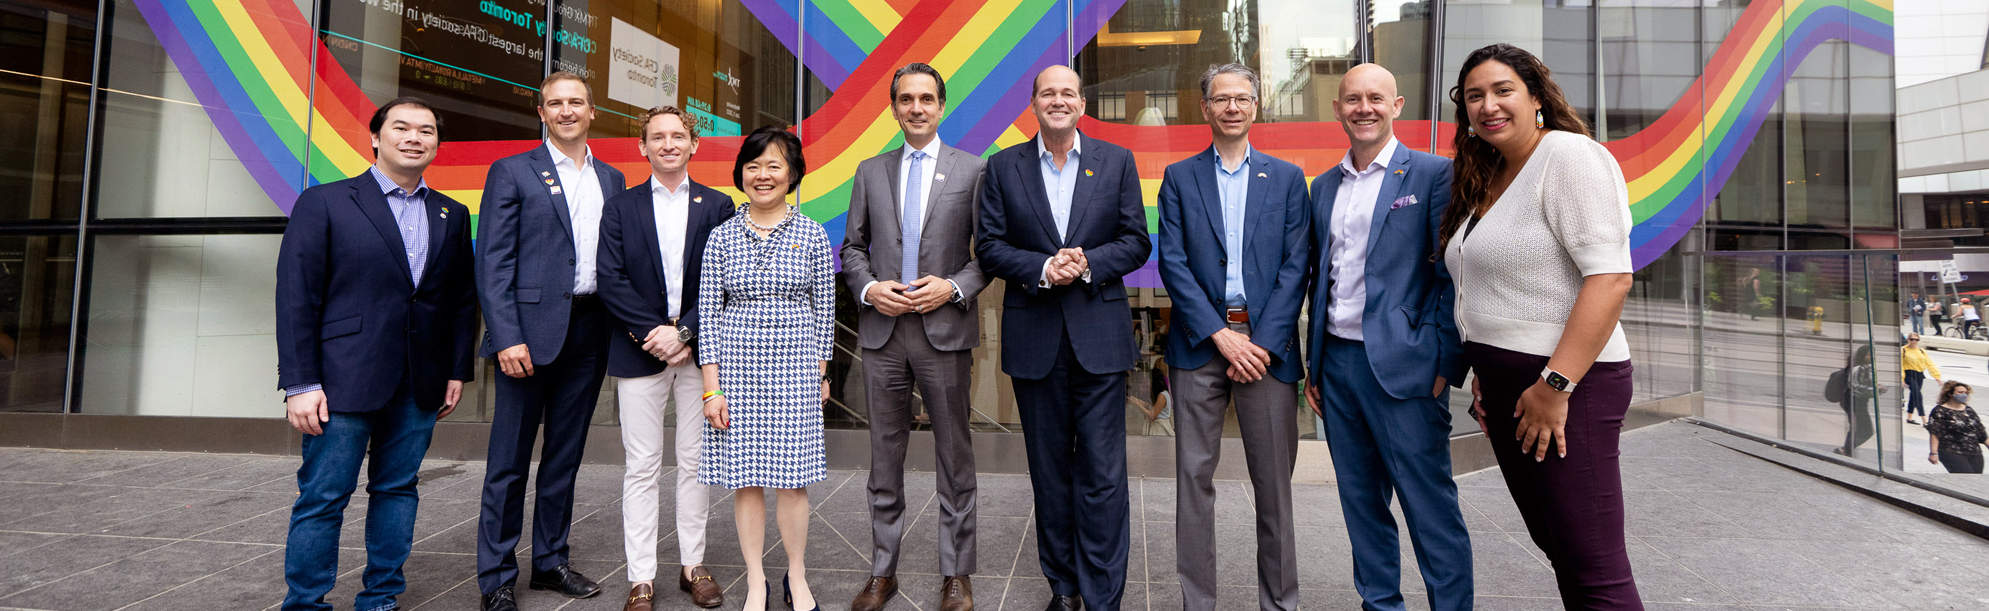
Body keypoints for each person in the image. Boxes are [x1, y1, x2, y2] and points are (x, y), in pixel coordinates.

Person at [1438, 44, 1642, 610]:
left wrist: (1555, 386)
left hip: (1568, 386)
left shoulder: (1570, 157)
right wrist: (1486, 373)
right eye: (1474, 96)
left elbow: (1610, 279)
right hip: (1509, 389)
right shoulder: (1491, 175)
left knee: (1594, 565)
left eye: (1503, 90)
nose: (1489, 105)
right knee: (1560, 548)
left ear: (1536, 98)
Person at [276, 97, 477, 611]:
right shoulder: (325, 202)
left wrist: (457, 369)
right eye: (402, 127)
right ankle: (306, 602)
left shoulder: (452, 214)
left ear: (437, 143)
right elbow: (297, 295)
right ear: (375, 138)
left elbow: (459, 301)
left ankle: (381, 597)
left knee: (398, 489)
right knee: (324, 496)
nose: (415, 137)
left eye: (427, 130)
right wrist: (300, 383)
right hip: (341, 379)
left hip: (421, 380)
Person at [976, 64, 1152, 611]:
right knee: (1049, 472)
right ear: (1033, 103)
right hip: (1036, 339)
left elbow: (1136, 241)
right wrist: (1045, 268)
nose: (1058, 100)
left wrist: (1087, 264)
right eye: (1048, 92)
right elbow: (989, 246)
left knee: (1102, 473)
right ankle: (1065, 587)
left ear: (1081, 104)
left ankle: (1102, 595)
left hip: (1098, 336)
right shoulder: (1003, 167)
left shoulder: (1116, 161)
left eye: (1068, 93)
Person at [1303, 63, 1473, 611]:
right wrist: (1314, 364)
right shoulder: (1323, 186)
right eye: (1352, 99)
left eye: (1376, 98)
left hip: (1407, 369)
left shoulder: (1430, 175)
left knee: (1429, 508)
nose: (1364, 108)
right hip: (1338, 367)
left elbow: (1453, 275)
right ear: (1337, 110)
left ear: (1397, 105)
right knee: (1360, 505)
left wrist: (1446, 361)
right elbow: (1321, 278)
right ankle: (1380, 606)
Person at [1154, 63, 1310, 611]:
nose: (1232, 107)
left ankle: (1280, 603)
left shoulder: (1289, 178)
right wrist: (1222, 335)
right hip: (1200, 347)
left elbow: (1298, 267)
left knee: (1274, 490)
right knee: (1193, 484)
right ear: (1206, 108)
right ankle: (1199, 603)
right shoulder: (1179, 177)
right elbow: (1172, 264)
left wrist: (1261, 344)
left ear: (1256, 106)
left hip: (1267, 351)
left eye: (1243, 98)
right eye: (1222, 99)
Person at [838, 62, 990, 611]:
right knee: (884, 458)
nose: (917, 108)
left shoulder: (974, 170)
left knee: (955, 457)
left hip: (944, 332)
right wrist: (868, 288)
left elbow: (986, 256)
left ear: (942, 107)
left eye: (927, 98)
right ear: (894, 107)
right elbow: (851, 248)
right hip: (882, 335)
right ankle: (883, 571)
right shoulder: (869, 170)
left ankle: (956, 573)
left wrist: (951, 287)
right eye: (907, 99)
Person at [474, 72, 628, 611]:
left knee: (564, 457)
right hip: (527, 335)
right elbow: (492, 262)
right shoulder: (513, 171)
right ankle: (495, 578)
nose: (566, 111)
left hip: (589, 330)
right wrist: (506, 336)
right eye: (555, 104)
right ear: (542, 113)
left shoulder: (612, 179)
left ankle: (549, 561)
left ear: (592, 113)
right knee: (509, 462)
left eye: (576, 103)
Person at [596, 106, 734, 611]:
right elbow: (610, 277)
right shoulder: (621, 206)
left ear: (694, 145)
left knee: (696, 462)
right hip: (640, 352)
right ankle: (641, 577)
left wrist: (684, 332)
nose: (668, 144)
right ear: (643, 147)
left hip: (701, 354)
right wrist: (653, 334)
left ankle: (692, 566)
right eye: (658, 137)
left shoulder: (719, 206)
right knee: (642, 465)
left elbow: (724, 280)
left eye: (678, 136)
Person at [698, 125, 835, 611]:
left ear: (793, 173)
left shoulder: (813, 234)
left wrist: (819, 375)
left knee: (792, 480)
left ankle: (796, 576)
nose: (763, 175)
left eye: (774, 165)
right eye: (754, 165)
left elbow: (825, 311)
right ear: (741, 173)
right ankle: (756, 579)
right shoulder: (721, 237)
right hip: (735, 371)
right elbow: (709, 314)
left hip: (795, 370)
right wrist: (712, 391)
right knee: (746, 479)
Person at [1927, 381, 1988, 473]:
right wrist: (1933, 453)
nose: (1964, 395)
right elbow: (1935, 433)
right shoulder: (1940, 411)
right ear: (1950, 394)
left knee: (1975, 480)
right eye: (1960, 392)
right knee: (1966, 477)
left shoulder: (1969, 410)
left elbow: (1981, 432)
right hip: (1951, 451)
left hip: (1974, 452)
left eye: (1965, 393)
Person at [1834, 345, 1882, 458]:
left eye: (1873, 354)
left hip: (1859, 402)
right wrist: (1876, 389)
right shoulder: (1858, 368)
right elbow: (1857, 387)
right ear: (1863, 355)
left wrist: (1877, 387)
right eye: (1869, 354)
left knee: (1859, 428)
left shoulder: (1865, 367)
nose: (1872, 357)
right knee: (1865, 430)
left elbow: (1865, 384)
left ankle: (1845, 450)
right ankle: (1845, 450)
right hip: (1854, 402)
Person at [1901, 333, 1942, 426]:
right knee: (1918, 395)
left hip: (1919, 375)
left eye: (1916, 339)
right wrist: (1902, 379)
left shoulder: (1921, 351)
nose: (1914, 341)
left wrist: (1937, 376)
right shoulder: (1903, 350)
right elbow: (1901, 365)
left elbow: (1929, 364)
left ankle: (1909, 417)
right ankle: (1924, 419)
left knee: (1914, 395)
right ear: (1908, 339)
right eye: (1912, 339)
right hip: (1909, 374)